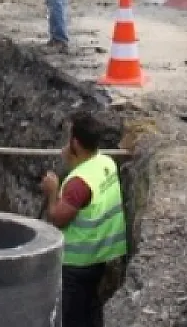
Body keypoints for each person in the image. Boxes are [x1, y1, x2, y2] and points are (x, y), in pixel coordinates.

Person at [39, 110, 128, 327]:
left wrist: (52, 191)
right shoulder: (106, 163)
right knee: (90, 309)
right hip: (100, 256)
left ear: (75, 143)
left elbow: (58, 219)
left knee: (71, 317)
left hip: (76, 264)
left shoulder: (78, 183)